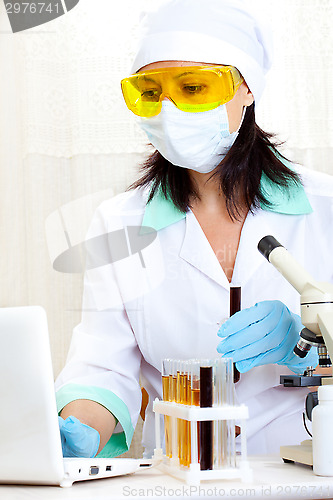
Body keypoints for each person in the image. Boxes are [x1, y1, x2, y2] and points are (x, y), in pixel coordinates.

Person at [55, 0, 333, 459]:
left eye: (194, 87)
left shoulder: (325, 208)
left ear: (246, 89)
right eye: (151, 91)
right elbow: (103, 366)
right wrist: (73, 430)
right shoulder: (119, 223)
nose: (170, 111)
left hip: (310, 470)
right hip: (179, 476)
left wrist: (307, 345)